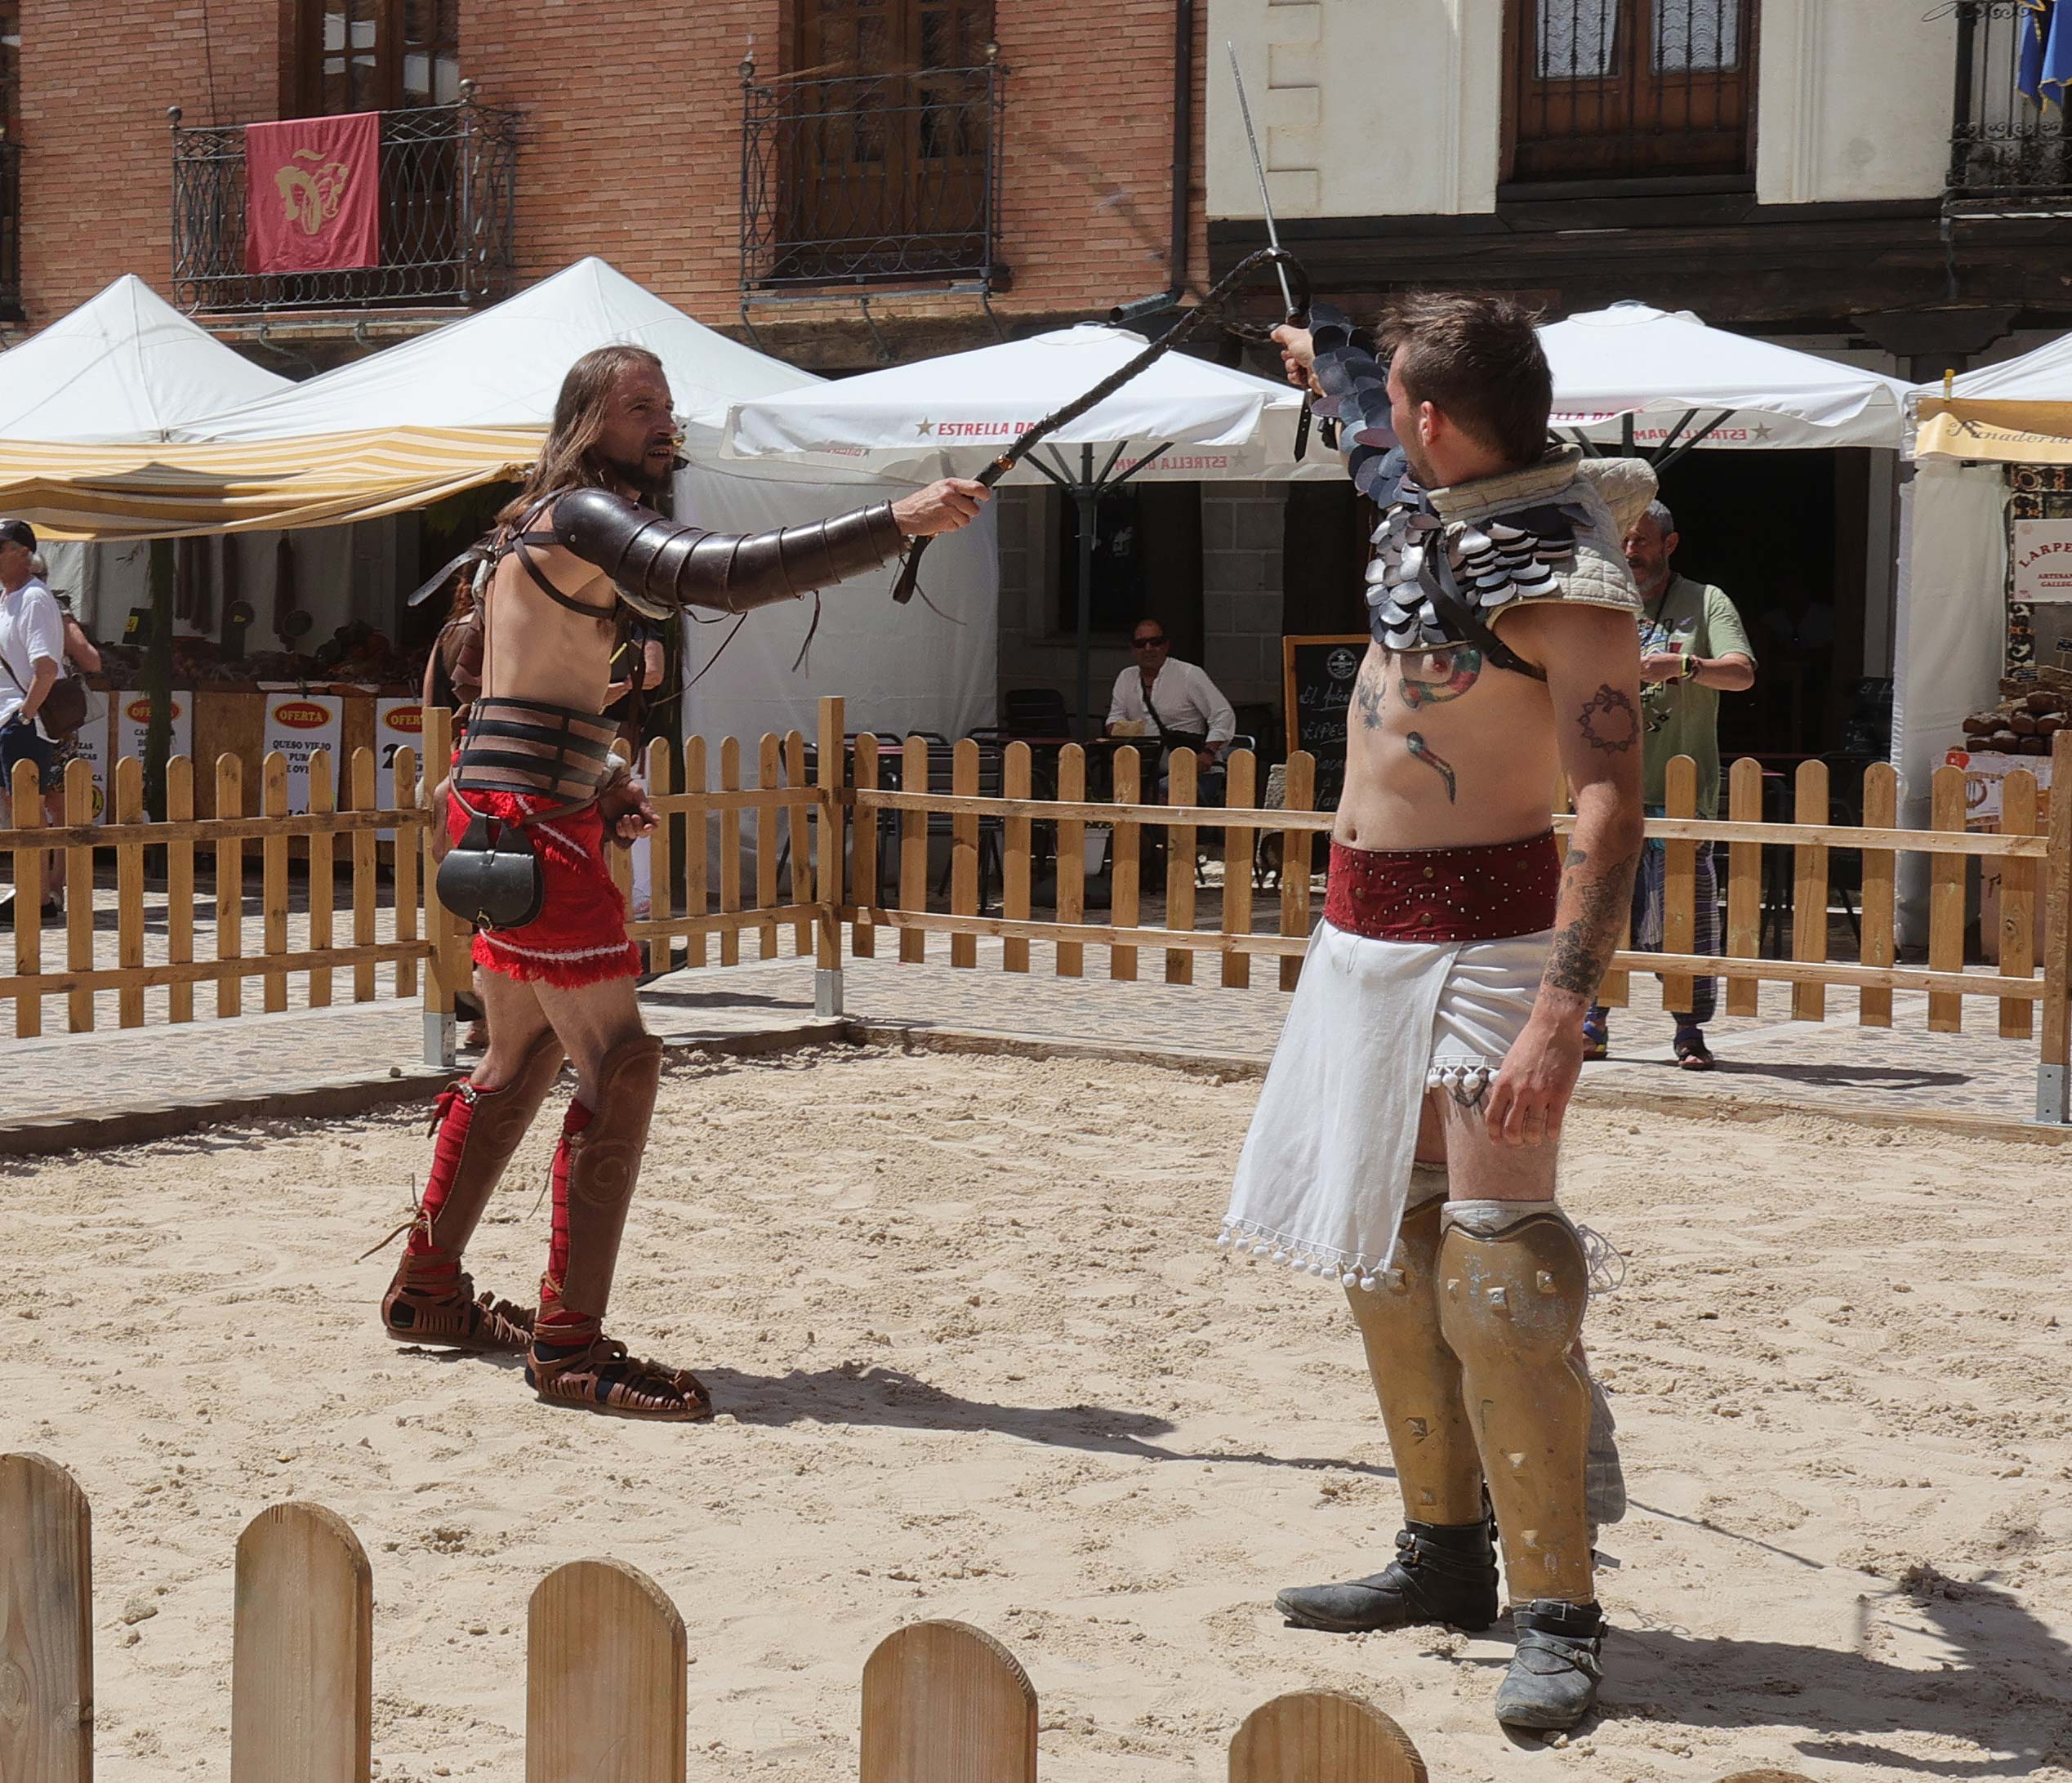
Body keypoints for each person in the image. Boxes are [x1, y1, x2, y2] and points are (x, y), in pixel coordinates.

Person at [377, 343, 985, 1423]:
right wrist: (897, 519)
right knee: (622, 1059)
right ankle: (567, 1346)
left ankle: (428, 1288)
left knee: (516, 1055)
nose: (664, 421)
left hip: (502, 809)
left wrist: (602, 768)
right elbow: (727, 569)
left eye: (667, 404)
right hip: (529, 826)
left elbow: (528, 686)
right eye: (639, 406)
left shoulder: (538, 521)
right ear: (587, 421)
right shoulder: (585, 518)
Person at [1225, 295, 1652, 1732]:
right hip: (1366, 932)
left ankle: (1557, 1611)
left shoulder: (1561, 563)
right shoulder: (1426, 486)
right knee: (1389, 1244)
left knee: (1498, 1269)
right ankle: (1441, 1553)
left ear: (1436, 418)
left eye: (1397, 407)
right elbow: (1360, 425)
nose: (1383, 429)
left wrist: (1560, 1012)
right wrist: (1321, 351)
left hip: (1486, 940)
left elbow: (1609, 796)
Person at [1583, 501, 1756, 1071]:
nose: (1631, 551)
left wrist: (1683, 668)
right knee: (1596, 911)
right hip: (1601, 789)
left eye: (1642, 540)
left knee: (1682, 918)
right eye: (1623, 540)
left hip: (1677, 794)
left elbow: (1741, 672)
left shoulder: (1703, 600)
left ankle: (1688, 1031)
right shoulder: (1594, 599)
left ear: (1669, 544)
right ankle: (1590, 1026)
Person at [0, 520, 68, 927]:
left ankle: (39, 896)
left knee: (29, 809)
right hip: (6, 718)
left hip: (21, 720)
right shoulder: (5, 598)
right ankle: (30, 889)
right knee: (14, 809)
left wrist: (25, 715)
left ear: (23, 553)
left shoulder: (35, 600)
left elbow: (46, 667)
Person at [1104, 619, 1236, 798]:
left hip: (1193, 772)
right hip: (1145, 773)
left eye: (1155, 642)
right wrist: (1129, 729)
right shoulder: (1126, 677)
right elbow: (1114, 719)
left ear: (1166, 646)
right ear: (1132, 649)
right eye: (1141, 644)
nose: (1148, 648)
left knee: (1164, 797)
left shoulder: (1189, 674)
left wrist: (1208, 753)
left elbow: (1223, 715)